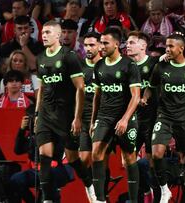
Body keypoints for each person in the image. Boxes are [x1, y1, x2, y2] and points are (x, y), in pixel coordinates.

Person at [35, 20, 92, 203]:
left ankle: (89, 183)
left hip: (66, 115)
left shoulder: (69, 56)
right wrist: (37, 114)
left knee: (73, 158)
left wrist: (77, 117)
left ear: (58, 35)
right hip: (46, 113)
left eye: (48, 32)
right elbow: (42, 88)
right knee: (44, 155)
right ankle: (47, 199)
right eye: (43, 32)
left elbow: (80, 88)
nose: (44, 35)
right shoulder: (41, 58)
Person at [141, 32, 185, 203]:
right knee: (157, 154)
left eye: (170, 46)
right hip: (164, 116)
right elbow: (151, 87)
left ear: (181, 48)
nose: (167, 49)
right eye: (166, 46)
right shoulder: (161, 67)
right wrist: (145, 98)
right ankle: (164, 190)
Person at [90, 27, 141, 203]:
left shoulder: (129, 65)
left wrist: (125, 119)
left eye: (105, 43)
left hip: (124, 117)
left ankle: (134, 200)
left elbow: (136, 96)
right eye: (101, 43)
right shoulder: (99, 66)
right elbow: (97, 95)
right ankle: (100, 199)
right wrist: (93, 121)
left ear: (117, 44)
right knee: (96, 154)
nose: (101, 46)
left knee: (128, 157)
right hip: (104, 117)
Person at [10, 105, 74, 203]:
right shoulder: (31, 135)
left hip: (60, 169)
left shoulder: (54, 131)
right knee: (16, 179)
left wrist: (41, 134)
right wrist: (22, 130)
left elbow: (55, 153)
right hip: (38, 171)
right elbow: (18, 150)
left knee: (47, 177)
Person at [126, 30, 159, 202]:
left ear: (143, 46)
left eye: (132, 43)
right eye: (127, 43)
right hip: (133, 120)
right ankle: (145, 191)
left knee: (152, 162)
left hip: (152, 120)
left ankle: (157, 196)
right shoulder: (125, 67)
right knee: (127, 162)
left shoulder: (154, 64)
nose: (127, 46)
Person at [79, 31, 103, 202]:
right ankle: (92, 188)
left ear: (101, 46)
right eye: (86, 45)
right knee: (84, 159)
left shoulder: (106, 66)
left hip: (103, 119)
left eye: (92, 45)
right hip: (83, 119)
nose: (88, 48)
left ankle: (101, 196)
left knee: (99, 158)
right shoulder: (79, 68)